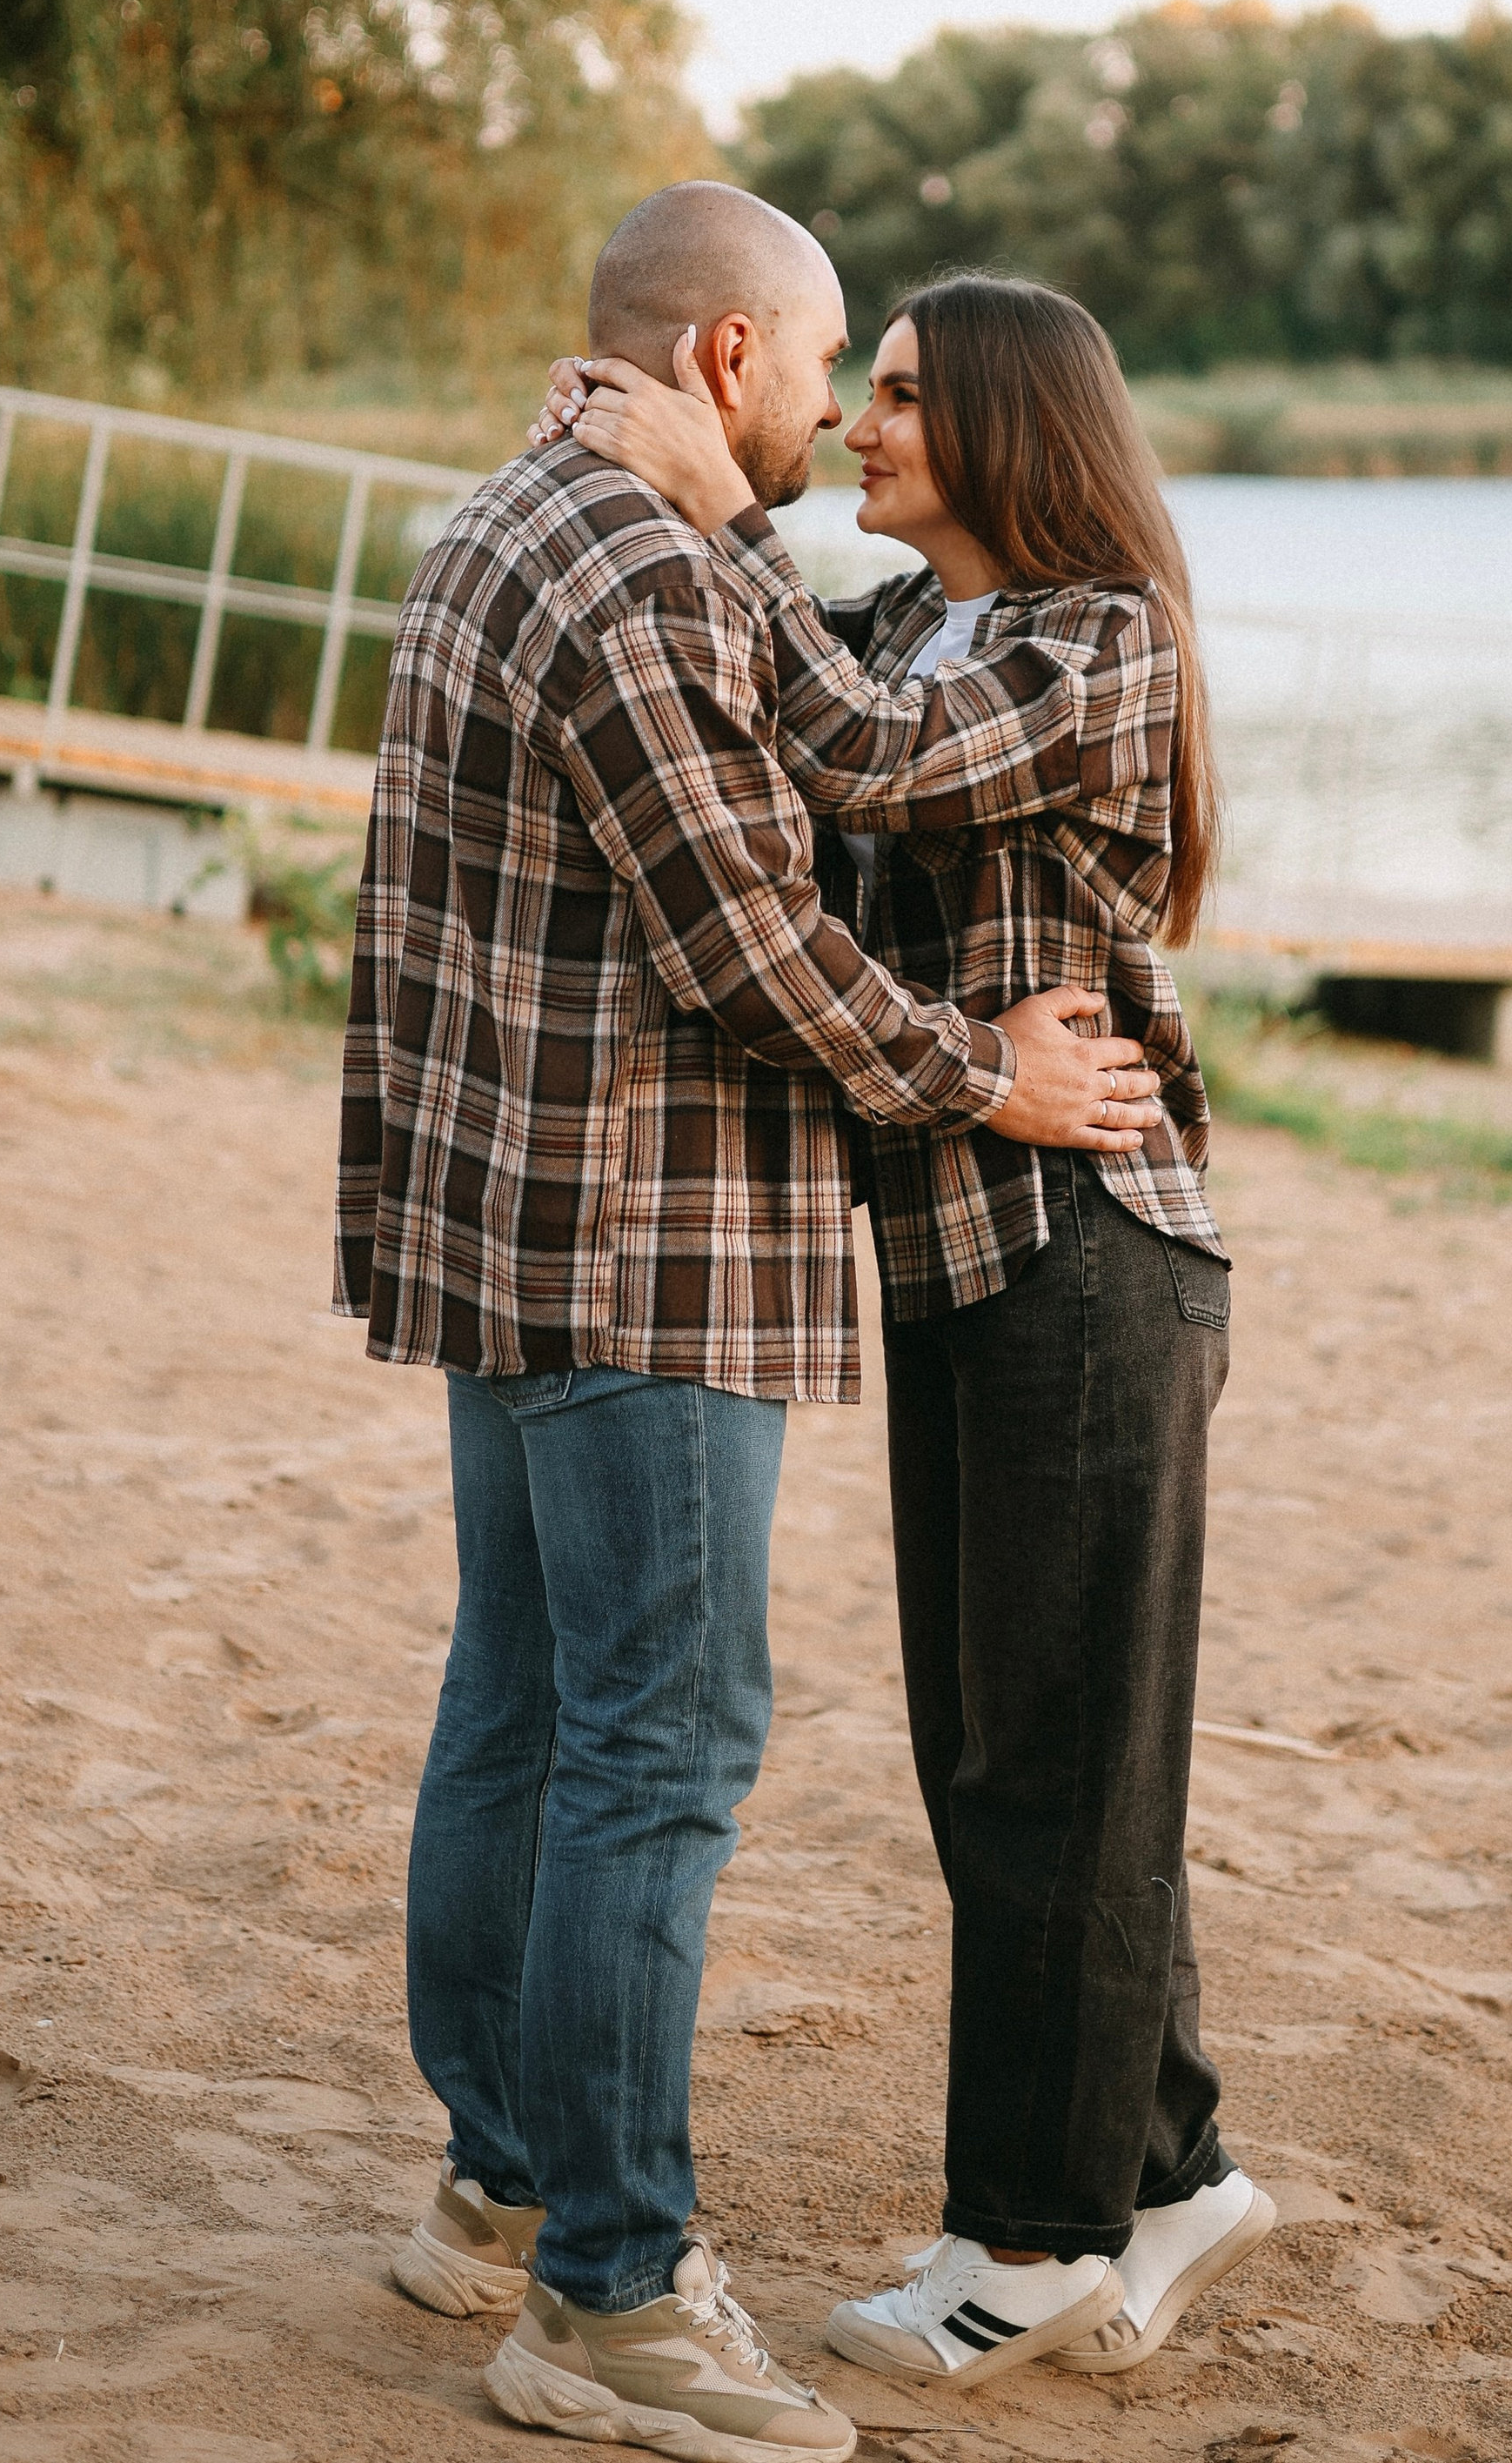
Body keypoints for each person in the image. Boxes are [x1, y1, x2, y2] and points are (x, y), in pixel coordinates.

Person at [336, 184, 1171, 2463]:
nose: (833, 412)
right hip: (650, 1244)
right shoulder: (633, 568)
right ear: (727, 363)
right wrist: (982, 1066)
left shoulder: (533, 523)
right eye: (823, 370)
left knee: (525, 1701)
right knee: (660, 1742)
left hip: (518, 1227)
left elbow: (810, 740)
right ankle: (608, 2292)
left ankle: (501, 2188)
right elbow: (750, 946)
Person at [552, 270, 1276, 2386]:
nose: (857, 426)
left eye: (895, 397)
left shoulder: (1097, 638)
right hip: (960, 1244)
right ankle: (1165, 2167)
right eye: (846, 393)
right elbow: (788, 744)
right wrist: (675, 516)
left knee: (1054, 1748)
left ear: (1007, 429)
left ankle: (1035, 2236)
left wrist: (709, 500)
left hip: (1084, 1242)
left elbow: (859, 763)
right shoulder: (892, 620)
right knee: (1014, 1745)